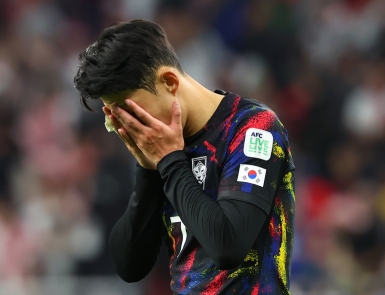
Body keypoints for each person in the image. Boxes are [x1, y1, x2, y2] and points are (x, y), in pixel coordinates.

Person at [74, 20, 295, 295]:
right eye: (115, 117)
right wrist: (147, 170)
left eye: (132, 111)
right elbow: (130, 266)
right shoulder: (165, 151)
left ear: (169, 81)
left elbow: (228, 245)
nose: (127, 126)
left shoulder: (253, 128)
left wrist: (169, 161)